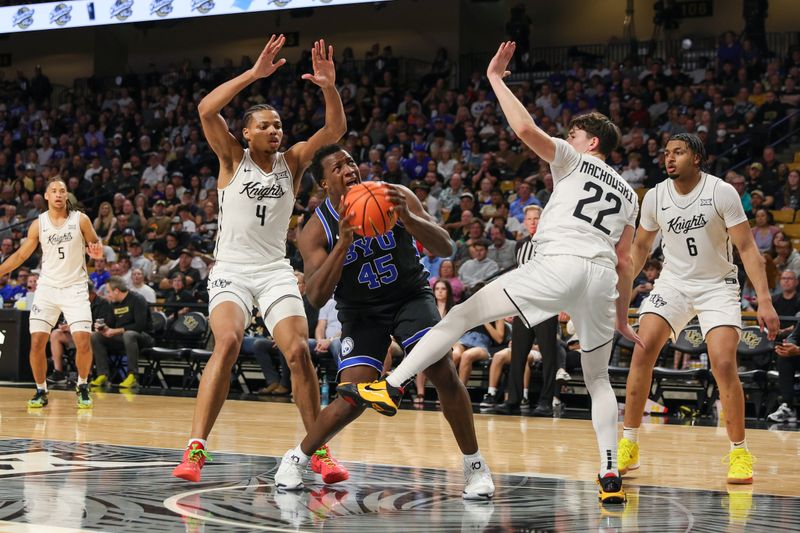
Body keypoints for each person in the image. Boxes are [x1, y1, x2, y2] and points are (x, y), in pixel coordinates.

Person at [339, 42, 641, 505]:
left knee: (460, 316)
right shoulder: (629, 194)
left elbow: (523, 128)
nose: (569, 138)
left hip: (559, 264)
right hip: (601, 279)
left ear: (590, 142)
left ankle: (393, 384)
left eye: (574, 134)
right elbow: (625, 261)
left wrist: (497, 79)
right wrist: (622, 315)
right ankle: (609, 473)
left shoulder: (575, 159)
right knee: (598, 379)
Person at [273, 144, 495, 500]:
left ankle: (475, 466)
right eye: (337, 168)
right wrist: (343, 244)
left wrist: (409, 218)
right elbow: (314, 296)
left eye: (350, 163)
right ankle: (297, 457)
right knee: (353, 396)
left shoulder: (394, 195)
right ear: (324, 185)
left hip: (410, 296)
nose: (349, 170)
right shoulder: (316, 229)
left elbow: (446, 248)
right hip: (361, 311)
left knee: (442, 371)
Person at [172, 35, 348, 483]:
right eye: (265, 125)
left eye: (279, 124)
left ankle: (318, 451)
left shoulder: (293, 162)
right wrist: (253, 74)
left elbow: (334, 133)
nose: (275, 130)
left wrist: (328, 86)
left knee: (298, 353)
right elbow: (206, 110)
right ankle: (195, 450)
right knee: (228, 343)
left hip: (273, 271)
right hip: (231, 269)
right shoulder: (232, 158)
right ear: (247, 132)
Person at [618, 132, 779, 485]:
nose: (669, 157)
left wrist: (764, 300)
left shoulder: (721, 192)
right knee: (642, 351)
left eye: (678, 152)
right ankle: (629, 441)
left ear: (697, 158)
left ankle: (739, 451)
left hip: (716, 286)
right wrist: (622, 291)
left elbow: (749, 250)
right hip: (674, 283)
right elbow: (641, 248)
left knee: (722, 362)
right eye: (666, 152)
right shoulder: (656, 196)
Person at [0, 177, 104, 408]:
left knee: (83, 341)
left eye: (62, 191)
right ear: (46, 196)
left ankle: (83, 384)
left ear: (67, 196)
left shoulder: (81, 220)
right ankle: (40, 391)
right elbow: (20, 256)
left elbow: (96, 247)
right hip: (47, 287)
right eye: (54, 191)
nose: (58, 194)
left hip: (75, 287)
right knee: (37, 342)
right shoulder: (39, 224)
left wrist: (97, 254)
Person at [494, 204, 561, 416]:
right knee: (518, 354)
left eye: (537, 218)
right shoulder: (520, 245)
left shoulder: (554, 243)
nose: (533, 222)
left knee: (549, 355)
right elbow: (520, 277)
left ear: (544, 220)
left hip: (546, 304)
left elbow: (559, 275)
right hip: (524, 305)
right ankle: (512, 399)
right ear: (524, 223)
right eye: (530, 219)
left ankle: (546, 402)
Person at [90, 276, 154, 388]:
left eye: (109, 291)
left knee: (129, 334)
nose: (108, 295)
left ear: (116, 291)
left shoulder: (138, 299)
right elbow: (110, 324)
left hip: (143, 337)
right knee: (96, 336)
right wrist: (102, 327)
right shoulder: (113, 303)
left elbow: (140, 325)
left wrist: (115, 331)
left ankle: (133, 376)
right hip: (122, 337)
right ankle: (103, 375)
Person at [47, 280, 113, 385]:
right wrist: (63, 325)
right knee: (56, 334)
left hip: (94, 337)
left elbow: (102, 325)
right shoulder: (74, 302)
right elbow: (63, 318)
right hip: (74, 334)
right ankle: (58, 372)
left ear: (92, 293)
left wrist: (76, 326)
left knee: (88, 336)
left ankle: (86, 374)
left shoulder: (103, 303)